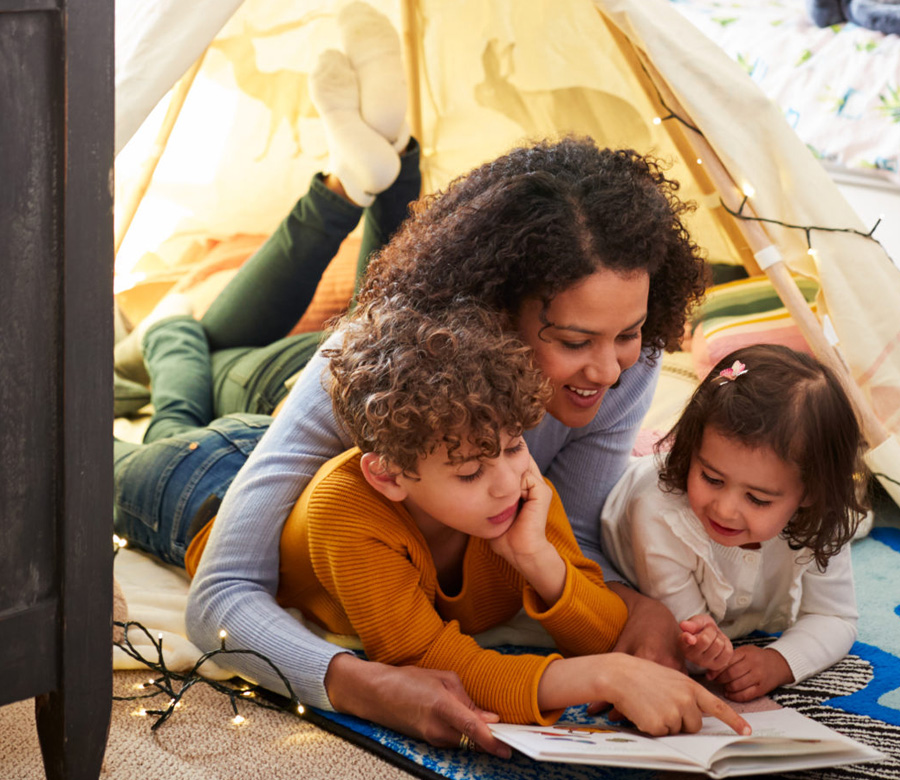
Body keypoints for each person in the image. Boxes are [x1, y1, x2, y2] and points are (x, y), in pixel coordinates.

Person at [600, 344, 867, 702]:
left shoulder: (823, 519)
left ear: (811, 493)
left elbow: (836, 617)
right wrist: (701, 646)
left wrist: (780, 661)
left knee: (853, 519)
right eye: (711, 478)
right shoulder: (659, 516)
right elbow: (684, 639)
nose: (725, 510)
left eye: (757, 499)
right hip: (624, 500)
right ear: (692, 450)